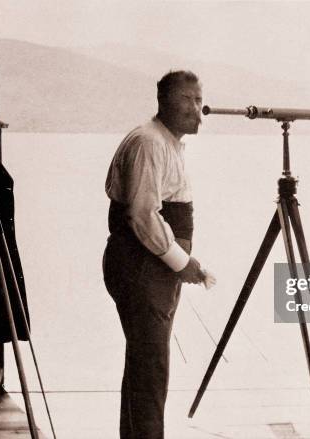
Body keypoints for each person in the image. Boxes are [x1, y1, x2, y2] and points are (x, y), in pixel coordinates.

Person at [102, 70, 213, 439]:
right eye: (186, 99)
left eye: (198, 100)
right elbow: (142, 215)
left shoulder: (169, 142)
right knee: (151, 369)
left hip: (153, 269)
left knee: (143, 366)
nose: (196, 109)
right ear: (163, 101)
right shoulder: (150, 143)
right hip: (141, 267)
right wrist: (183, 263)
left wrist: (179, 266)